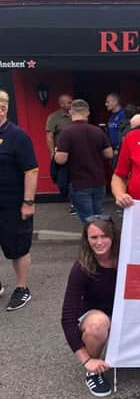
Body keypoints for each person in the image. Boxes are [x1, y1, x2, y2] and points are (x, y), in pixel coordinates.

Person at [61, 215, 118, 397]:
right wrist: (85, 361)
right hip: (95, 314)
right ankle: (93, 370)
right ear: (87, 239)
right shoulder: (81, 268)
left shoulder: (126, 259)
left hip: (123, 313)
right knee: (98, 324)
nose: (99, 242)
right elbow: (67, 318)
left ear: (113, 237)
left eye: (104, 236)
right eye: (94, 237)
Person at [0, 89, 38, 311]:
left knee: (18, 248)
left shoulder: (18, 136)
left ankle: (22, 288)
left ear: (3, 109)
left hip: (12, 205)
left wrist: (28, 202)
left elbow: (31, 171)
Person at [55, 99, 113, 223]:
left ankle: (92, 241)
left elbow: (60, 159)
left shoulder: (66, 133)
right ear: (87, 113)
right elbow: (109, 154)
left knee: (88, 219)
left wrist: (56, 152)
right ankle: (105, 239)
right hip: (98, 180)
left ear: (71, 112)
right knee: (99, 215)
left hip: (79, 182)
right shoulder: (97, 131)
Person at [45, 93, 76, 215]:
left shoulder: (76, 116)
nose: (70, 104)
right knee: (62, 180)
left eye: (71, 101)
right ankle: (69, 197)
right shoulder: (54, 117)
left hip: (76, 153)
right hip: (61, 154)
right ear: (61, 104)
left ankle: (75, 203)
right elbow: (49, 136)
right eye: (68, 102)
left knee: (76, 178)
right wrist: (52, 152)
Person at [104, 92, 126, 168]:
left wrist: (118, 148)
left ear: (115, 102)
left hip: (120, 151)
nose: (106, 104)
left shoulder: (123, 115)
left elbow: (125, 134)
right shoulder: (111, 116)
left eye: (108, 102)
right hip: (112, 151)